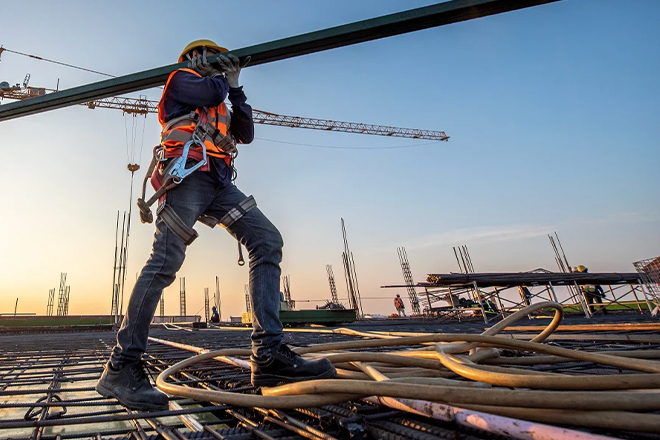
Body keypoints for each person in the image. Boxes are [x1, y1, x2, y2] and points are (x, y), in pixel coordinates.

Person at [96, 40, 335, 411]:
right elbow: (211, 88)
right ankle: (122, 366)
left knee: (266, 240)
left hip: (219, 182)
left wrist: (238, 88)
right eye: (207, 55)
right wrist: (224, 77)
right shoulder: (181, 80)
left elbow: (245, 132)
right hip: (187, 176)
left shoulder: (221, 96)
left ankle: (269, 354)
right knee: (164, 263)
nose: (214, 63)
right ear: (193, 58)